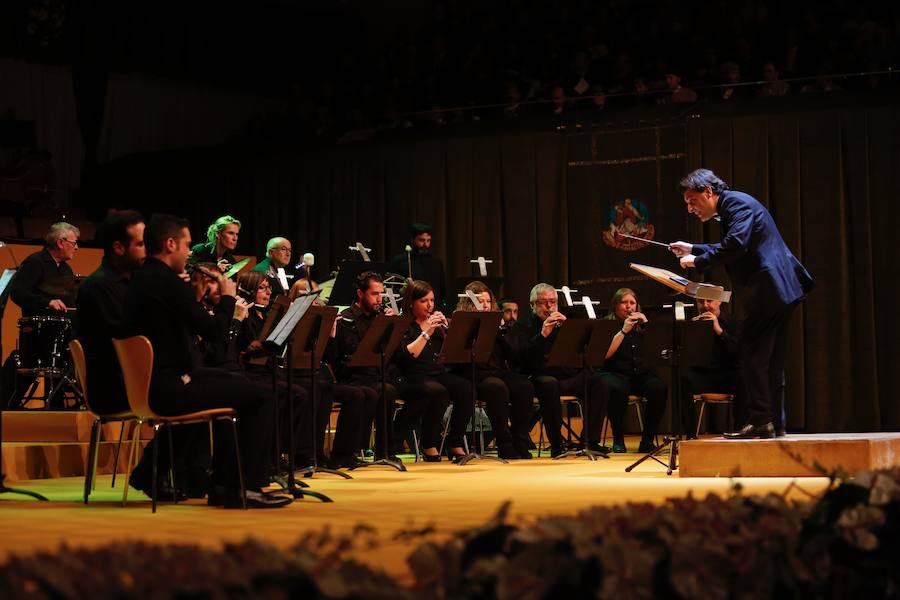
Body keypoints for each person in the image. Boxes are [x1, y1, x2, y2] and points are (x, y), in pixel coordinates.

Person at [122, 213, 290, 508]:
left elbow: (180, 325)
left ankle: (222, 485)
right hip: (171, 385)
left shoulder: (145, 279)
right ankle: (241, 486)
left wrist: (195, 297)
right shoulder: (166, 282)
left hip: (157, 381)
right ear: (170, 244)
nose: (189, 252)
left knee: (236, 383)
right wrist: (227, 297)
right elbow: (213, 331)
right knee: (261, 395)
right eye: (186, 245)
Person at [670, 168, 814, 439]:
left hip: (768, 291)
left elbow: (736, 243)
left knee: (750, 356)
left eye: (692, 201)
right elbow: (733, 243)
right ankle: (773, 423)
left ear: (708, 192)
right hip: (780, 290)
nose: (690, 209)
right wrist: (693, 248)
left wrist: (698, 261)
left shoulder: (736, 203)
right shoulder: (735, 205)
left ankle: (762, 421)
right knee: (771, 361)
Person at [509, 283, 608, 458]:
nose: (549, 306)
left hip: (566, 375)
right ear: (532, 305)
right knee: (549, 385)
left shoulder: (564, 322)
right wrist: (543, 334)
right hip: (538, 376)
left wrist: (569, 331)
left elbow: (579, 352)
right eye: (543, 302)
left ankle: (589, 441)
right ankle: (556, 444)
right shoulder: (522, 326)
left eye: (553, 302)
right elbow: (521, 358)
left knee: (597, 382)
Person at [393, 279, 472, 462]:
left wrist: (449, 330)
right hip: (410, 375)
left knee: (465, 387)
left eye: (432, 300)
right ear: (411, 303)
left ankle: (455, 442)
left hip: (436, 373)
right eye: (424, 301)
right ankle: (429, 443)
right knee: (438, 392)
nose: (430, 305)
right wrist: (426, 331)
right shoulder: (404, 324)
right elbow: (407, 356)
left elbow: (451, 352)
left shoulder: (435, 324)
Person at [454, 281, 534, 459]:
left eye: (488, 302)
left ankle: (520, 440)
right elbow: (457, 356)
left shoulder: (498, 325)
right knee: (497, 388)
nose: (485, 305)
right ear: (469, 303)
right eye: (480, 301)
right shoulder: (462, 323)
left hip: (496, 371)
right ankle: (504, 444)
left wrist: (501, 331)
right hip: (474, 374)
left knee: (524, 386)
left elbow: (513, 355)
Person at [76, 211, 145, 415]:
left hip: (135, 380)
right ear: (118, 247)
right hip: (116, 388)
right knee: (201, 392)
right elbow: (128, 341)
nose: (147, 250)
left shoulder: (135, 283)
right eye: (141, 244)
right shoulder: (99, 287)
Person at [328, 271, 396, 461]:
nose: (379, 299)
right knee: (370, 392)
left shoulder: (380, 317)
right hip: (350, 378)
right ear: (360, 294)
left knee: (387, 390)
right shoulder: (345, 318)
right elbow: (335, 357)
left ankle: (385, 452)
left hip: (374, 376)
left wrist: (391, 325)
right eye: (374, 294)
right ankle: (352, 450)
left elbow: (393, 352)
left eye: (381, 294)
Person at [601, 288, 667, 453]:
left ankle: (647, 440)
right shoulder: (607, 324)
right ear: (615, 305)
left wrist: (647, 326)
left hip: (640, 375)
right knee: (618, 389)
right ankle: (618, 438)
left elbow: (659, 350)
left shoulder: (642, 326)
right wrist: (624, 330)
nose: (628, 307)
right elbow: (605, 355)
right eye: (624, 302)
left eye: (632, 303)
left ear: (637, 306)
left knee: (658, 387)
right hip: (616, 373)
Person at [681, 297, 741, 437]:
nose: (705, 305)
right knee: (684, 378)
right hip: (704, 375)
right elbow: (685, 356)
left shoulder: (733, 322)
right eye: (701, 302)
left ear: (719, 301)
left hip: (727, 375)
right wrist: (691, 333)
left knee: (743, 378)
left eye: (710, 301)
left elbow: (739, 352)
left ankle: (740, 430)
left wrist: (719, 330)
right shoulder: (693, 324)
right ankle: (689, 434)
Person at [10, 222, 80, 316]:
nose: (76, 247)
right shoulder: (35, 262)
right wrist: (47, 302)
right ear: (60, 243)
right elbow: (17, 293)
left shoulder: (66, 269)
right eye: (74, 243)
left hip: (61, 327)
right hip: (39, 327)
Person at [388, 222, 447, 310]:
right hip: (409, 310)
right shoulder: (400, 261)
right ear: (412, 240)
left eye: (428, 241)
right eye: (421, 240)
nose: (425, 245)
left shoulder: (436, 263)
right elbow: (392, 288)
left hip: (433, 310)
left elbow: (442, 291)